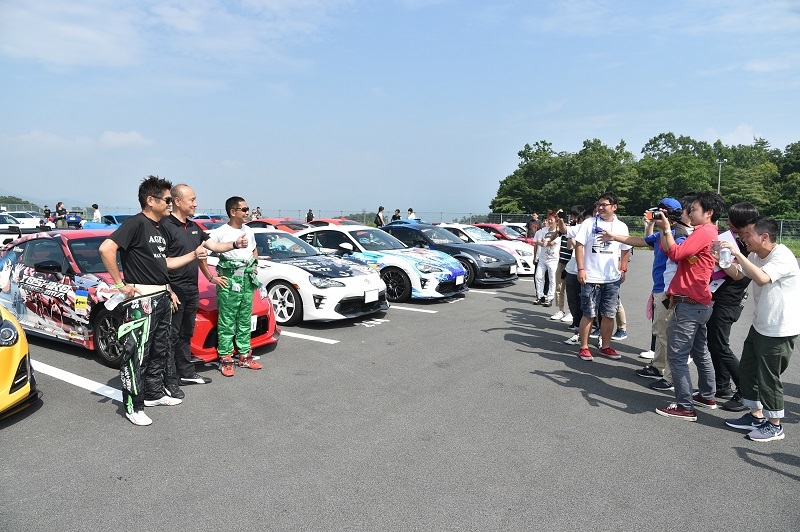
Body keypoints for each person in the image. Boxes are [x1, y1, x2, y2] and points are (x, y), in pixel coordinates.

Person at [99, 175, 206, 426]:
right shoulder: (136, 223)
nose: (170, 204)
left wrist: (171, 285)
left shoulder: (159, 229)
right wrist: (120, 284)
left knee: (160, 350)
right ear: (151, 200)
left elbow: (164, 264)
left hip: (161, 295)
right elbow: (106, 248)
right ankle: (132, 406)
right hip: (141, 300)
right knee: (137, 354)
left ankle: (154, 394)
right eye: (167, 200)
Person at [160, 184, 249, 397]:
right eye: (192, 199)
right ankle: (169, 379)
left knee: (186, 333)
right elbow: (160, 262)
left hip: (191, 288)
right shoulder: (164, 226)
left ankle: (186, 372)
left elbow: (213, 247)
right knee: (170, 336)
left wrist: (235, 244)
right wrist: (168, 289)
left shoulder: (193, 227)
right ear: (177, 201)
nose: (195, 203)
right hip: (173, 290)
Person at [720, 216, 800, 441]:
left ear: (765, 236)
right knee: (747, 371)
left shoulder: (782, 256)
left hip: (779, 328)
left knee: (768, 377)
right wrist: (721, 259)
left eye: (747, 235)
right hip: (761, 324)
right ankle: (756, 416)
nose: (743, 239)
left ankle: (775, 426)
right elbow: (738, 275)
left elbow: (763, 278)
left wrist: (737, 254)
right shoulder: (755, 255)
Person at [601, 197, 691, 391]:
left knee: (667, 334)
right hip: (660, 287)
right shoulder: (664, 232)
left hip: (669, 290)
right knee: (660, 331)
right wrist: (614, 237)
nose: (654, 214)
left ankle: (669, 376)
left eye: (659, 212)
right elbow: (641, 241)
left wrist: (663, 228)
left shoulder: (678, 234)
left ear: (668, 215)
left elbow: (676, 255)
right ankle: (658, 367)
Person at [654, 191, 724, 421]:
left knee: (677, 355)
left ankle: (685, 406)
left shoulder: (703, 232)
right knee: (699, 351)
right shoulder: (710, 232)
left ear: (709, 212)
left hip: (689, 303)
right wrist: (666, 229)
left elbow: (675, 252)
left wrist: (666, 229)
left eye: (694, 209)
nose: (690, 213)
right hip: (700, 302)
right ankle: (707, 395)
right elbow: (671, 253)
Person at [708, 203, 759, 412]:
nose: (728, 222)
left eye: (732, 219)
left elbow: (737, 274)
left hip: (730, 300)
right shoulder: (734, 239)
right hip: (719, 295)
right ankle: (722, 387)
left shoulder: (748, 244)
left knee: (720, 344)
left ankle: (745, 390)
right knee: (713, 343)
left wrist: (721, 258)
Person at [208, 196, 262, 377]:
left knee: (245, 318)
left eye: (248, 209)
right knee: (227, 319)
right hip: (230, 279)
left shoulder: (249, 230)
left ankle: (245, 356)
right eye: (244, 209)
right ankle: (226, 358)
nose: (248, 212)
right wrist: (211, 278)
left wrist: (254, 265)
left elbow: (254, 250)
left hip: (246, 279)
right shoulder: (220, 232)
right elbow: (202, 252)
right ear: (233, 212)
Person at [573, 192, 631, 361]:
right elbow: (579, 246)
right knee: (589, 313)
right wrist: (581, 269)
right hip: (591, 277)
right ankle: (584, 347)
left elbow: (625, 249)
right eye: (599, 204)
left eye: (604, 204)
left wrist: (623, 269)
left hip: (612, 278)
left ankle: (606, 346)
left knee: (609, 313)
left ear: (614, 207)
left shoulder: (621, 226)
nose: (600, 207)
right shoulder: (589, 223)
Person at [533, 211, 561, 307]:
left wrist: (546, 243)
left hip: (553, 259)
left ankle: (549, 298)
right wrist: (542, 243)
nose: (549, 221)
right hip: (542, 258)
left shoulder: (559, 232)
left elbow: (553, 243)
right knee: (538, 277)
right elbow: (538, 241)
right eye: (548, 219)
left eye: (551, 219)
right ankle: (540, 296)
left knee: (552, 278)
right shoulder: (544, 230)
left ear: (556, 221)